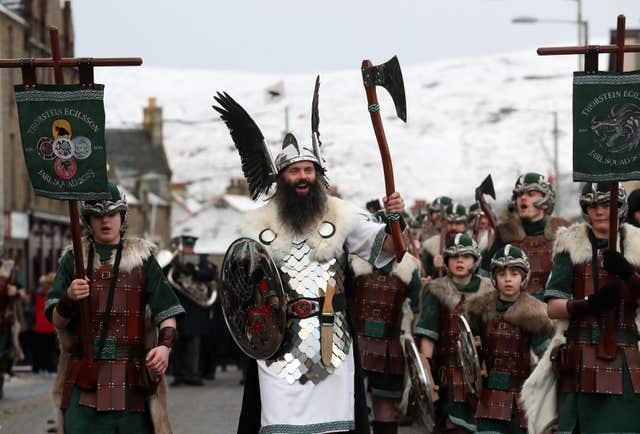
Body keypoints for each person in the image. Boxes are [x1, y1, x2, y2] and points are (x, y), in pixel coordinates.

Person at [214, 86, 407, 434]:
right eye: (294, 171)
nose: (302, 177)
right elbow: (240, 290)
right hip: (278, 345)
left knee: (333, 428)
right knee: (280, 427)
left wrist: (395, 219)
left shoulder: (342, 215)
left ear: (318, 175)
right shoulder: (259, 225)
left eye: (308, 170)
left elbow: (394, 251)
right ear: (281, 178)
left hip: (332, 337)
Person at [45, 182, 185, 434]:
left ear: (122, 215)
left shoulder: (143, 259)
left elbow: (168, 312)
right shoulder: (72, 259)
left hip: (133, 377)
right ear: (88, 220)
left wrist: (164, 347)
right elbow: (57, 321)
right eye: (97, 216)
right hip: (84, 374)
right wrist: (68, 297)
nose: (105, 221)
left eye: (111, 214)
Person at [524, 182, 640, 434]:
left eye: (607, 204)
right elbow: (553, 308)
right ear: (586, 209)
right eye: (593, 205)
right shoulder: (570, 245)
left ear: (620, 207)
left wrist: (630, 274)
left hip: (629, 358)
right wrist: (590, 303)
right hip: (580, 353)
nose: (600, 211)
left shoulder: (638, 244)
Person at [466, 245, 552, 434]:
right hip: (487, 396)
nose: (507, 279)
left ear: (524, 277)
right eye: (502, 273)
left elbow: (545, 357)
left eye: (514, 273)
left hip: (520, 397)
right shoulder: (479, 310)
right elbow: (468, 351)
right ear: (494, 277)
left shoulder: (534, 314)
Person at [349, 212, 422, 434]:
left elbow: (415, 309)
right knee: (351, 404)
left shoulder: (409, 267)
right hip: (356, 342)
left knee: (385, 407)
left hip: (391, 347)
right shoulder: (354, 262)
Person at [415, 233, 494, 433]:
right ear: (447, 260)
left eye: (466, 256)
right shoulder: (436, 290)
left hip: (483, 372)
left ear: (475, 260)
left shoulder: (489, 291)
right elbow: (428, 334)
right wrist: (427, 375)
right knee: (452, 425)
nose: (460, 261)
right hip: (448, 372)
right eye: (454, 256)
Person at [481, 173, 569, 297]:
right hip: (514, 310)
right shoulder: (505, 233)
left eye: (531, 194)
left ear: (545, 202)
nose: (522, 198)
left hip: (554, 309)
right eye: (519, 194)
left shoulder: (564, 232)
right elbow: (485, 277)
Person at [0, 259, 25, 399]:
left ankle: (2, 379)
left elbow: (21, 293)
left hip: (5, 322)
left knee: (4, 353)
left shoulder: (10, 277)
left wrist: (15, 293)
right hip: (5, 320)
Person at [422, 202, 468, 277]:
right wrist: (436, 270)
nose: (453, 227)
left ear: (465, 225)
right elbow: (426, 274)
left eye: (458, 223)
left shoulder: (473, 246)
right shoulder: (431, 246)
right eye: (450, 223)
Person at [32, 272, 58, 374]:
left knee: (40, 349)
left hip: (39, 325)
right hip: (49, 324)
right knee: (50, 349)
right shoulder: (54, 293)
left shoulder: (39, 292)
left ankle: (41, 368)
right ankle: (50, 368)